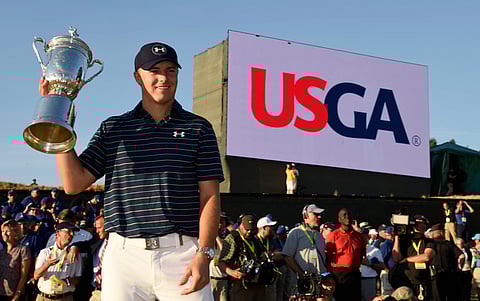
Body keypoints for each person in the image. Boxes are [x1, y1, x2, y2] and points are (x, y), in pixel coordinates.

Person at [39, 41, 224, 301]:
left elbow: (210, 196)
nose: (164, 77)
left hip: (182, 254)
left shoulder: (198, 128)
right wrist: (58, 119)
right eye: (154, 70)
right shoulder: (114, 128)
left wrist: (205, 254)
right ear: (138, 77)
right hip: (124, 256)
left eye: (171, 70)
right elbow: (73, 183)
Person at [218, 214, 268, 301]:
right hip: (241, 284)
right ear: (241, 225)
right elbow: (221, 262)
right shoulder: (233, 238)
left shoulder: (254, 239)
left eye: (251, 230)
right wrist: (232, 272)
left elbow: (263, 254)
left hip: (257, 283)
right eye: (247, 229)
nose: (249, 232)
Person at [282, 204, 327, 297]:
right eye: (315, 214)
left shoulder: (319, 235)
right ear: (306, 217)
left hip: (318, 283)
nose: (319, 217)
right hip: (301, 284)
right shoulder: (295, 233)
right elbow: (287, 256)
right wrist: (301, 274)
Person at [33, 222, 82, 301]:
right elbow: (36, 276)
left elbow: (78, 278)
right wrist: (47, 264)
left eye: (73, 232)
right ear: (58, 234)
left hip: (65, 297)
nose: (71, 234)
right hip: (44, 297)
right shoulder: (45, 252)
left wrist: (66, 281)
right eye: (68, 231)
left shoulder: (75, 254)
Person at [392, 215, 435, 301]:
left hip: (422, 281)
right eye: (418, 223)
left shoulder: (428, 241)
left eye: (423, 223)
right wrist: (396, 237)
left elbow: (426, 256)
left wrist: (407, 259)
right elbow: (396, 258)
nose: (420, 225)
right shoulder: (405, 240)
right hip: (405, 280)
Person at [327, 208, 365, 301]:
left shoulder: (359, 236)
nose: (347, 217)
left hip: (355, 274)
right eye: (344, 215)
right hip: (339, 275)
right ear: (339, 219)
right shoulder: (333, 235)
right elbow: (328, 255)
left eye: (349, 214)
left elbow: (361, 254)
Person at [428, 224, 463, 301]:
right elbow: (461, 256)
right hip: (451, 275)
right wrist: (460, 267)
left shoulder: (429, 245)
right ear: (441, 232)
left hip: (436, 276)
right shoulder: (448, 244)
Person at [0, 220, 32, 301]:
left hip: (14, 294)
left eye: (7, 231)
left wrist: (17, 295)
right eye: (3, 231)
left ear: (15, 232)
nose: (4, 234)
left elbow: (24, 275)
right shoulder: (2, 250)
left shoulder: (23, 249)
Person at [256, 216, 280, 301]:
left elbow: (281, 254)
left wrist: (271, 254)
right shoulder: (255, 241)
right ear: (263, 228)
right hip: (258, 280)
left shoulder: (271, 240)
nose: (272, 229)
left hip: (270, 279)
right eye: (270, 227)